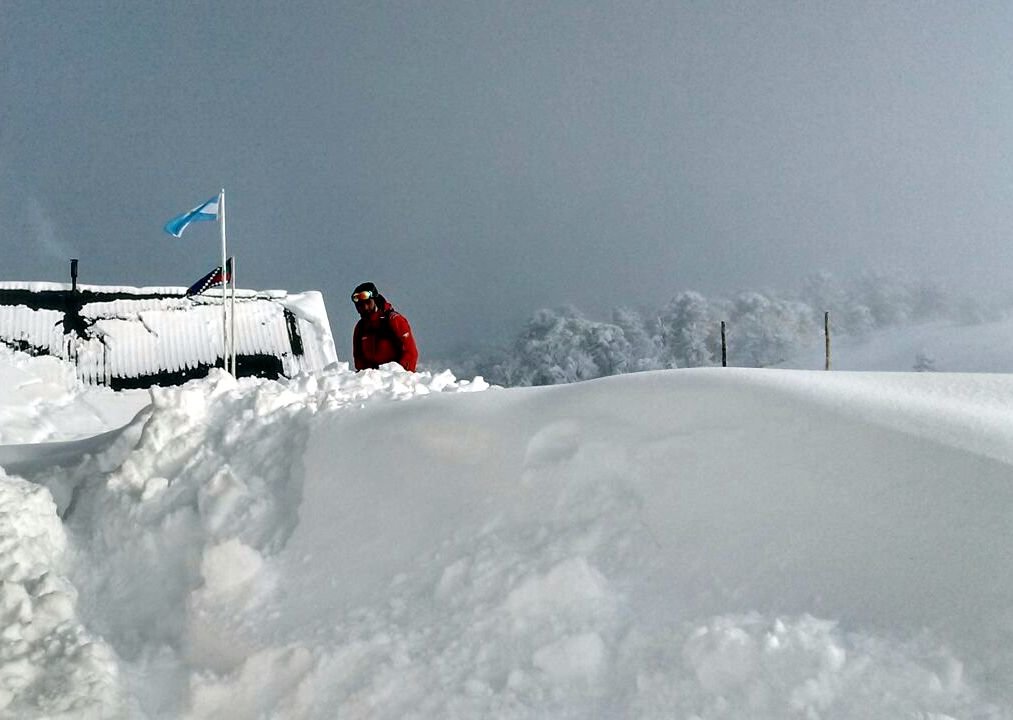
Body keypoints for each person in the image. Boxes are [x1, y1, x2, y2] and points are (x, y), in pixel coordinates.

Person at [351, 282, 418, 372]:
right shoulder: (360, 328)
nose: (364, 307)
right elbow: (359, 360)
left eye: (368, 302)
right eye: (360, 305)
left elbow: (410, 353)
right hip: (373, 381)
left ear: (375, 300)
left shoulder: (394, 320)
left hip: (395, 379)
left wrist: (399, 376)